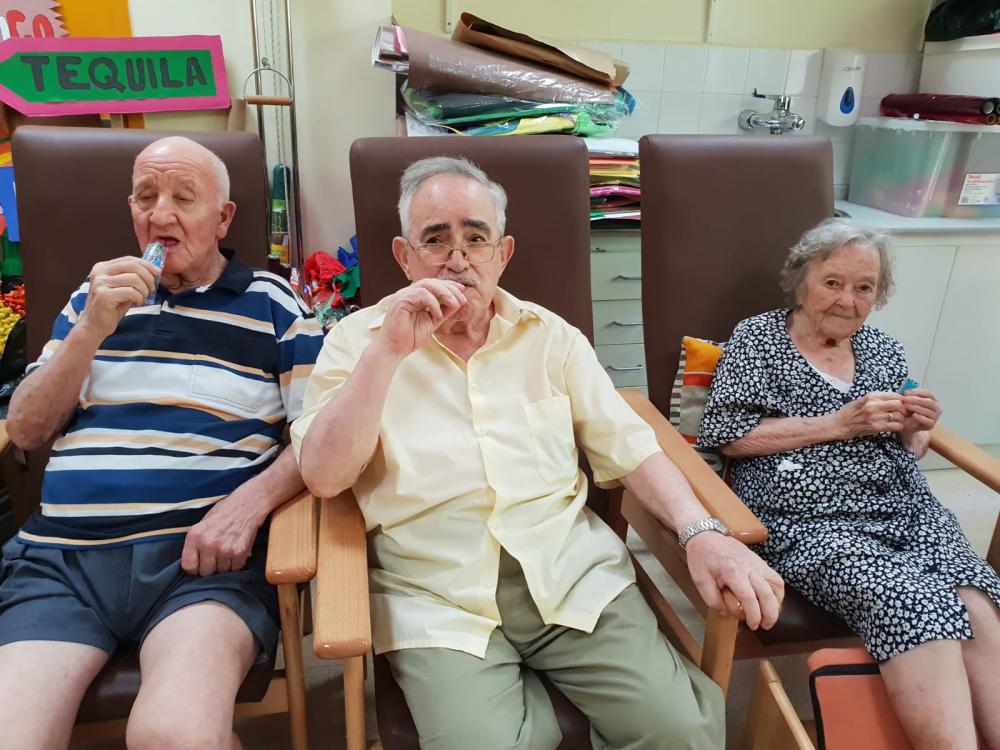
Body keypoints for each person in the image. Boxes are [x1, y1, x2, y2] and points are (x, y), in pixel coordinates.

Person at [294, 156, 785, 750]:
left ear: (503, 253)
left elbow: (630, 448)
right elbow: (324, 476)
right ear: (405, 257)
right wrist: (388, 354)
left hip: (569, 574)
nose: (458, 259)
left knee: (681, 733)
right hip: (436, 593)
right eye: (436, 239)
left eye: (476, 238)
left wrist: (701, 532)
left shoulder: (553, 339)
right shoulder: (357, 343)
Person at [0, 136, 323, 750]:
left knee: (173, 735)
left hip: (198, 565)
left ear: (223, 217)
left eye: (183, 197)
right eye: (146, 197)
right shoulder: (89, 300)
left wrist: (249, 504)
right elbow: (27, 429)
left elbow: (319, 434)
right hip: (63, 562)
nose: (160, 214)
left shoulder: (273, 302)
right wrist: (91, 331)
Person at [698, 218, 1000, 750]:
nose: (847, 300)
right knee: (909, 598)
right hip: (810, 520)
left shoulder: (884, 349)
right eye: (833, 282)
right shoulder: (757, 340)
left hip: (906, 511)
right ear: (800, 281)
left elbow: (913, 446)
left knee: (976, 598)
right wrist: (837, 424)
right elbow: (727, 437)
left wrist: (918, 425)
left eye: (864, 287)